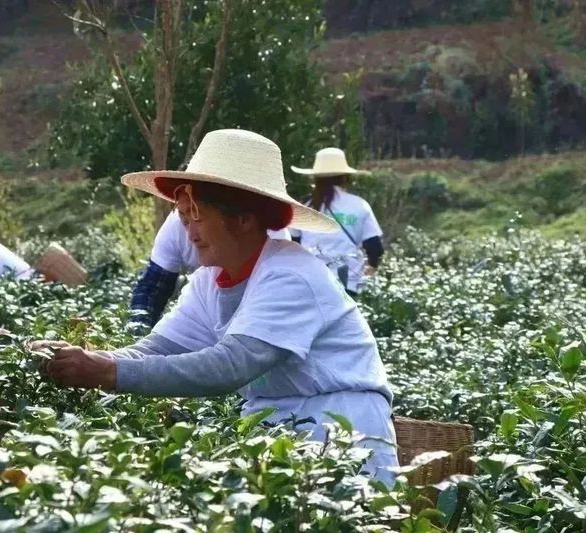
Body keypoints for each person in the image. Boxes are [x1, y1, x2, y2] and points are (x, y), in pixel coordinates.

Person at [31, 129, 398, 481]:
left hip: (344, 436)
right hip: (280, 433)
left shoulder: (291, 274)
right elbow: (157, 347)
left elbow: (230, 365)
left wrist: (106, 373)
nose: (189, 230)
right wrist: (87, 359)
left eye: (198, 215)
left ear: (243, 219)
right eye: (183, 215)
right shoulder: (209, 280)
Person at [130, 210, 290, 328]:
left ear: (244, 220)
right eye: (185, 220)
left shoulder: (277, 255)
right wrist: (137, 331)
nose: (191, 235)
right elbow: (152, 289)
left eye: (199, 218)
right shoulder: (203, 283)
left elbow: (242, 354)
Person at [290, 148, 385, 298]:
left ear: (315, 178)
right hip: (348, 282)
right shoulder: (359, 205)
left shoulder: (305, 206)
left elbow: (293, 243)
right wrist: (372, 266)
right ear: (344, 178)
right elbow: (375, 247)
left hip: (309, 283)